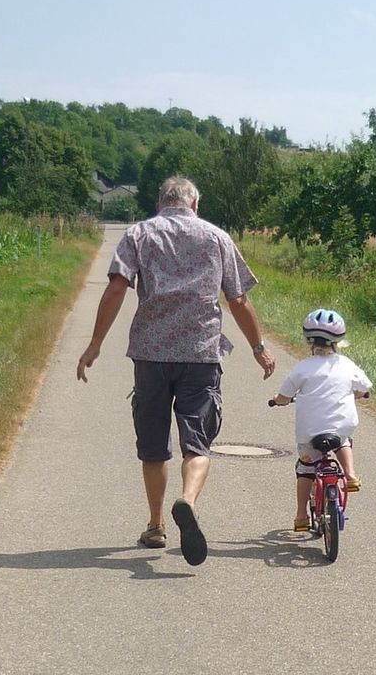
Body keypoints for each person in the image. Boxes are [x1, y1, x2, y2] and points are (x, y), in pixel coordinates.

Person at [76, 176, 275, 565]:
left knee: (153, 446)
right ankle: (187, 499)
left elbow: (116, 288)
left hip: (150, 355)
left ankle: (155, 525)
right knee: (197, 444)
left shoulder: (138, 234)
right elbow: (237, 299)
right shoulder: (217, 238)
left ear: (159, 202)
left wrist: (95, 343)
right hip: (200, 355)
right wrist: (259, 347)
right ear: (195, 203)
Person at [271, 309, 372, 532]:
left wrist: (278, 401)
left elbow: (284, 396)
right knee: (344, 440)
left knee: (306, 468)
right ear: (338, 340)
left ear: (308, 340)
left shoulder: (302, 368)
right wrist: (357, 394)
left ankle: (301, 516)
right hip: (341, 427)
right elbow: (365, 387)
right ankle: (351, 475)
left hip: (309, 433)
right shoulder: (346, 365)